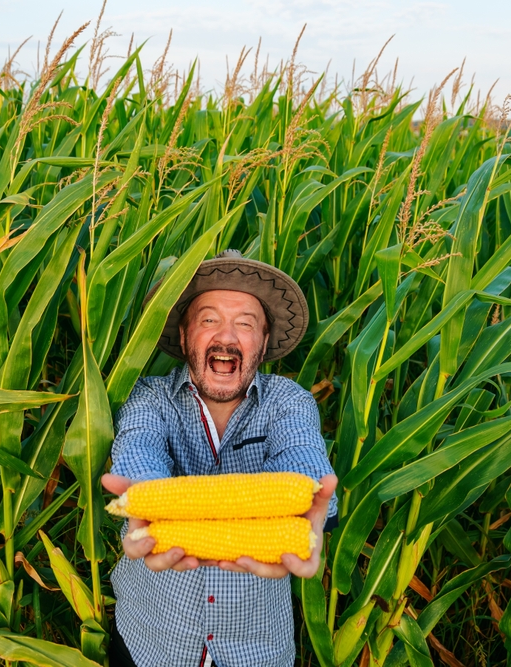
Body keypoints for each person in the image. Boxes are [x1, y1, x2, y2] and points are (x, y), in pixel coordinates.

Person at [101, 249, 338, 667]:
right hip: (151, 642)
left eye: (245, 324)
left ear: (263, 343)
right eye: (209, 319)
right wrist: (143, 499)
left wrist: (308, 510)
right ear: (184, 334)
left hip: (256, 650)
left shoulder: (289, 403)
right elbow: (139, 451)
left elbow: (303, 458)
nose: (226, 337)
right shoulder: (149, 398)